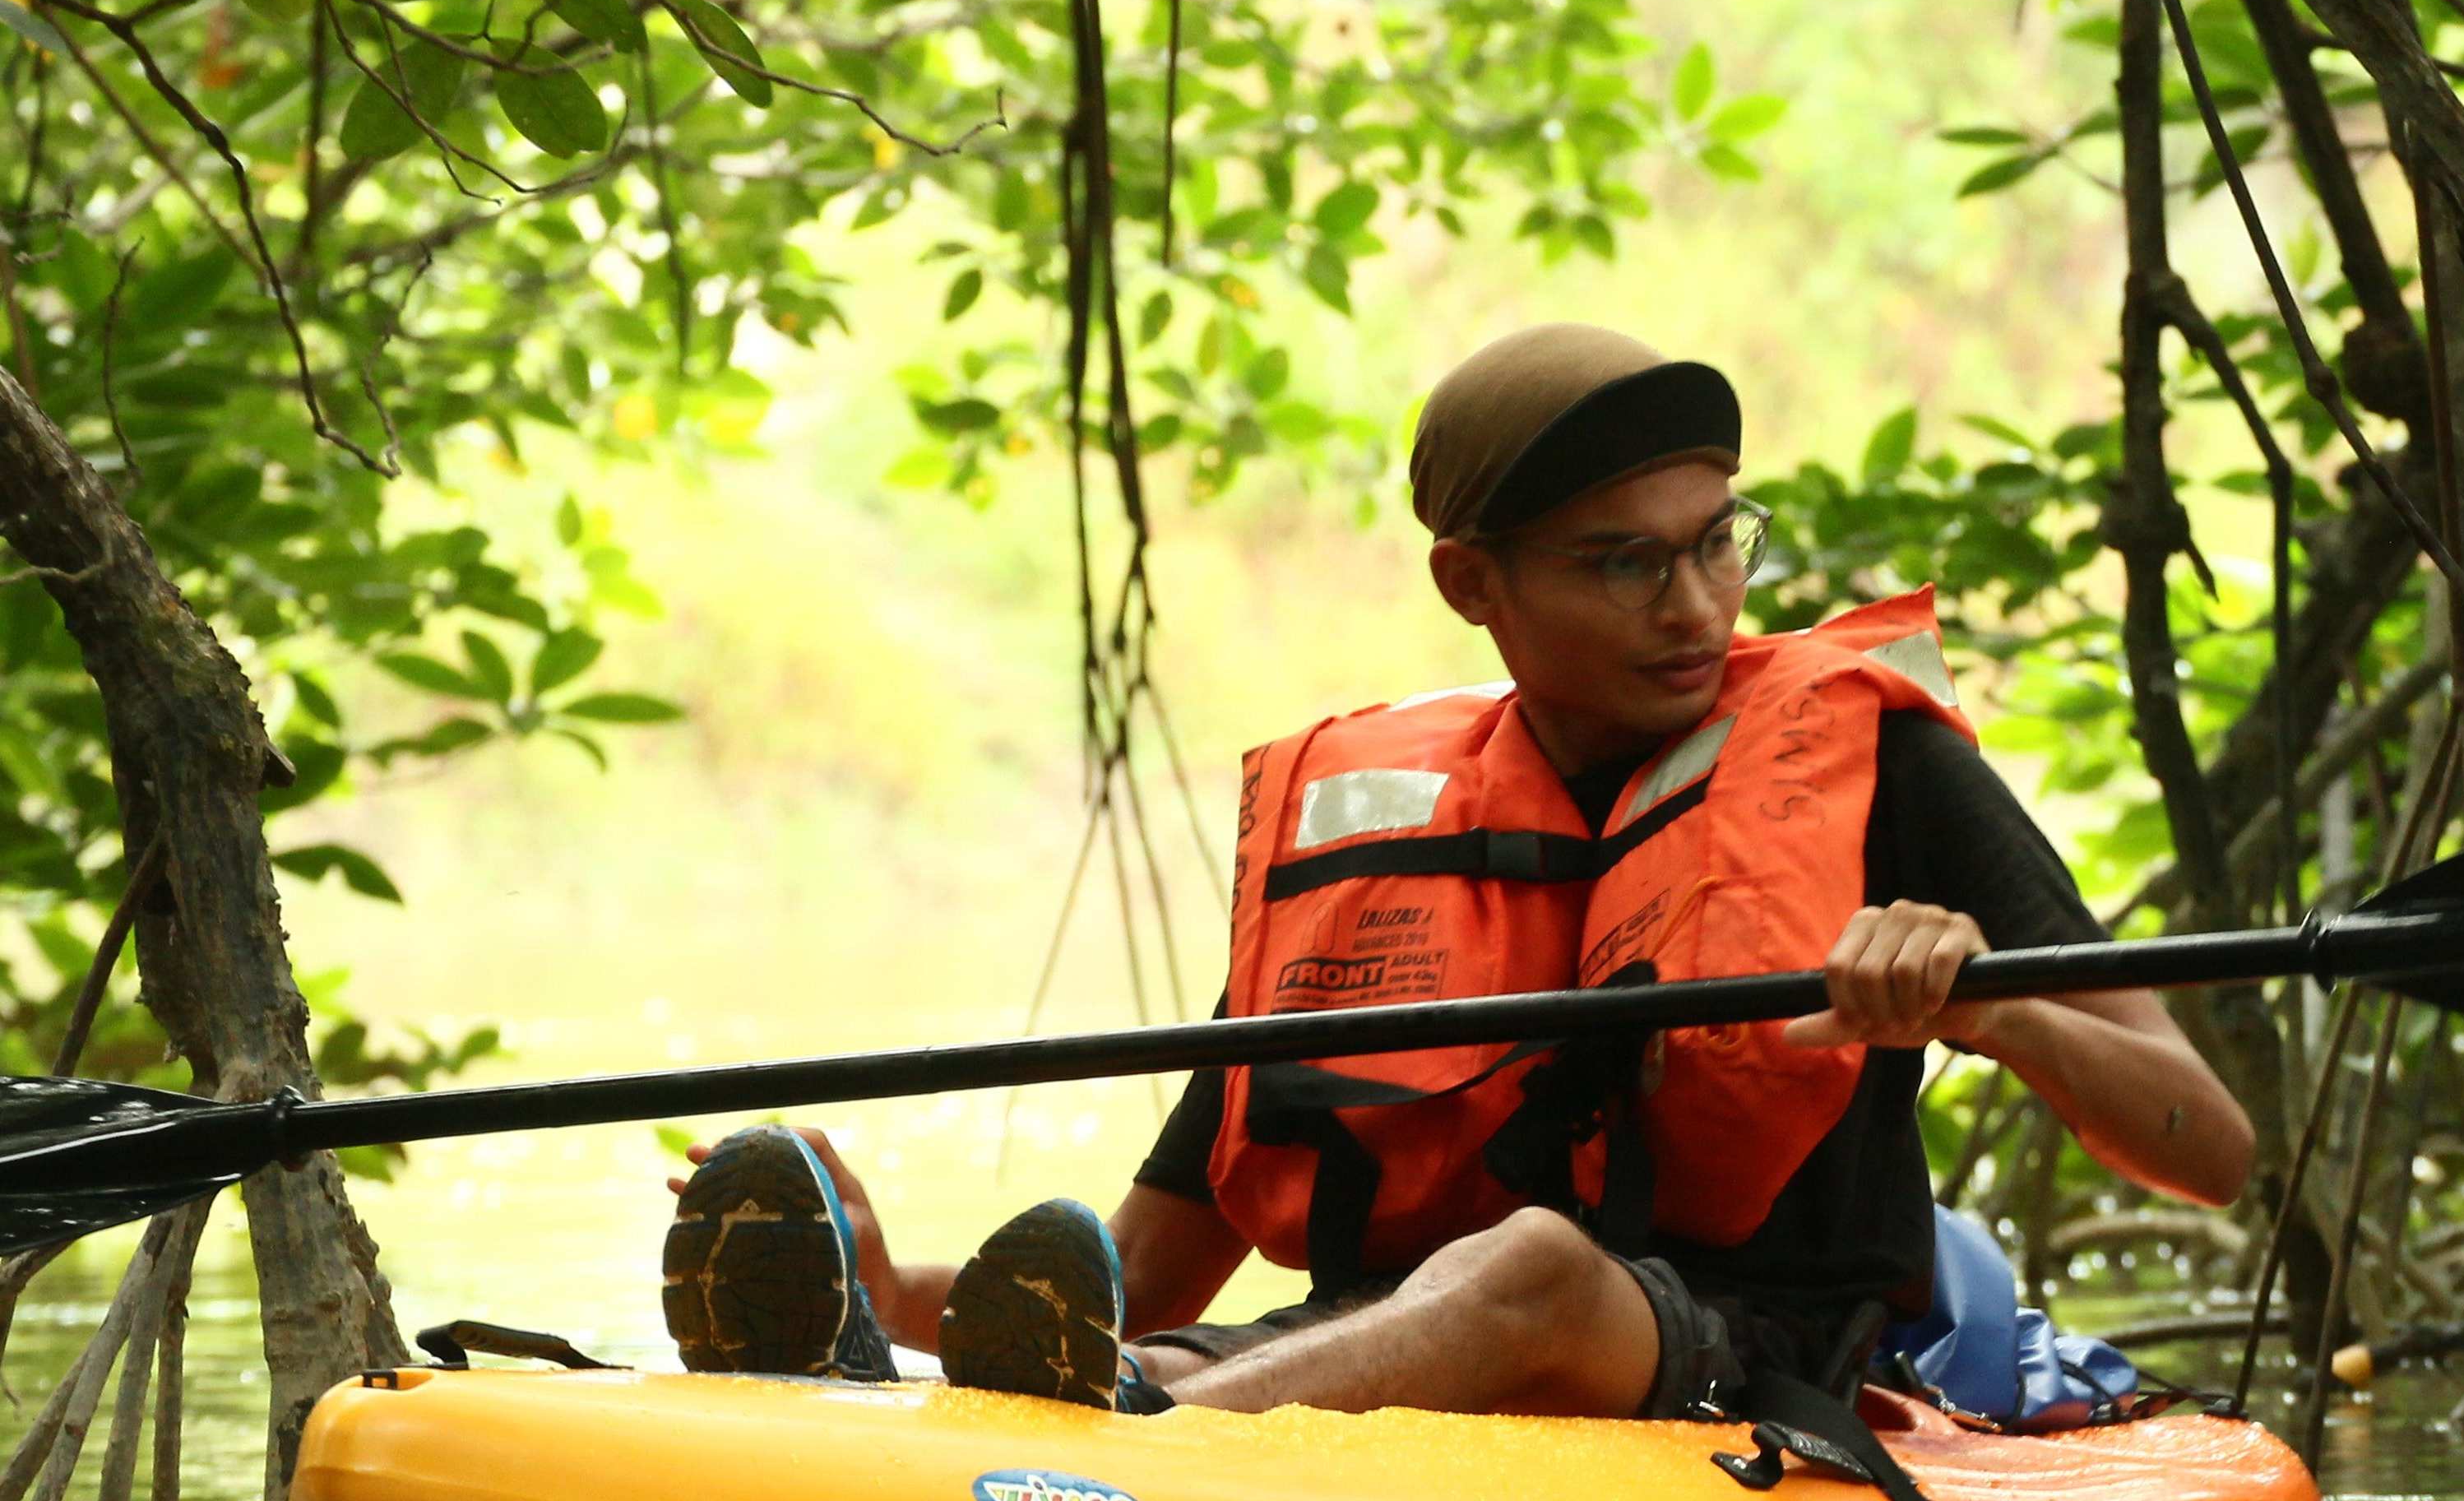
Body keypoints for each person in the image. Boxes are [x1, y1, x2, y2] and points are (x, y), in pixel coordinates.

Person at [664, 325, 2252, 1429]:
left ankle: (1127, 1435)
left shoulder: (1876, 763)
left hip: (1736, 1359)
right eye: (1622, 562)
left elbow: (2211, 1150)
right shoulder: (1379, 835)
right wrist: (903, 1282)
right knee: (1186, 1334)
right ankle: (866, 1366)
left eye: (1716, 542)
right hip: (1336, 1362)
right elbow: (1140, 1273)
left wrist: (1995, 1016)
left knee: (1536, 1267)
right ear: (1470, 584)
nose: (1693, 604)